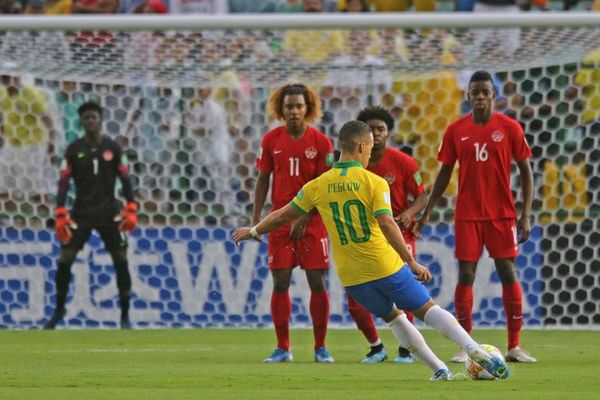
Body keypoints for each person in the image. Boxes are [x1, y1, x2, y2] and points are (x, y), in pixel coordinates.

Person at [233, 120, 510, 381]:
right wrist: (410, 261)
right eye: (369, 148)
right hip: (384, 265)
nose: (370, 154)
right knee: (427, 308)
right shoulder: (374, 182)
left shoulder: (317, 185)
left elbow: (282, 214)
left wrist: (254, 230)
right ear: (362, 147)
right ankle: (473, 348)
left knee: (394, 319)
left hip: (353, 278)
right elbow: (387, 222)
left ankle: (438, 369)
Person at [414, 70, 536, 363]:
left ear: (494, 95)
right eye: (475, 93)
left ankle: (514, 346)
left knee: (507, 272)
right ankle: (464, 345)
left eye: (485, 92)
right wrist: (428, 209)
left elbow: (526, 170)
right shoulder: (456, 130)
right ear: (468, 96)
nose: (480, 97)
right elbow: (444, 173)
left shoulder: (509, 128)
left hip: (502, 215)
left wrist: (525, 214)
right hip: (467, 214)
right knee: (466, 274)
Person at [253, 83, 334, 363]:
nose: (294, 111)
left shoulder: (322, 143)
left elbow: (325, 187)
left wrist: (305, 216)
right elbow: (263, 180)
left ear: (308, 108)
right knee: (280, 283)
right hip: (279, 223)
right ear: (280, 109)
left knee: (317, 282)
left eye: (299, 106)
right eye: (289, 106)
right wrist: (256, 221)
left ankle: (320, 348)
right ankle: (283, 348)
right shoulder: (271, 140)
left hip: (312, 223)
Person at [44, 101, 138, 329]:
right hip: (81, 211)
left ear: (101, 119)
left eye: (93, 117)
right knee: (65, 258)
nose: (90, 121)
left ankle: (125, 316)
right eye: (86, 118)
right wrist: (60, 210)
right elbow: (64, 181)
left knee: (121, 259)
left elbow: (125, 179)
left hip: (109, 211)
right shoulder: (73, 149)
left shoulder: (114, 149)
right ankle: (58, 311)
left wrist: (131, 207)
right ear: (81, 121)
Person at [345, 105, 426, 364]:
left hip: (397, 236)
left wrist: (410, 212)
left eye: (381, 129)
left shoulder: (404, 162)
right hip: (363, 242)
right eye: (372, 130)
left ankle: (406, 350)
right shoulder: (351, 169)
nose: (377, 134)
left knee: (405, 296)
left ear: (388, 133)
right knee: (356, 301)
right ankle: (376, 347)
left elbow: (422, 195)